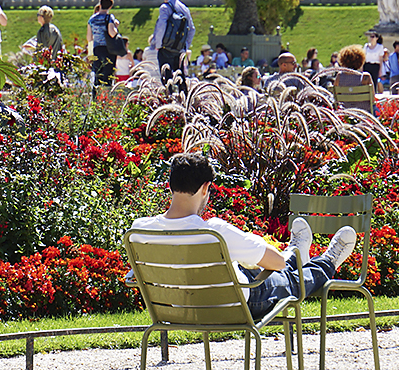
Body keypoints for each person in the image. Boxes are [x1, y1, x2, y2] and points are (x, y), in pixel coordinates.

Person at [129, 152, 358, 321]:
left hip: (176, 310)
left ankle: (295, 253)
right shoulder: (214, 232)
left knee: (250, 267)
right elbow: (275, 264)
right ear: (205, 188)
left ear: (170, 186)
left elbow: (134, 277)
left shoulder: (140, 231)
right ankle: (325, 261)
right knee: (289, 276)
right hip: (234, 305)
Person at [149, 0, 195, 81]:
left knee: (166, 77)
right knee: (180, 78)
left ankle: (169, 95)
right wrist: (185, 45)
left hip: (166, 48)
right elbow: (192, 29)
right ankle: (182, 95)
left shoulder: (165, 7)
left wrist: (159, 45)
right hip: (179, 49)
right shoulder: (184, 8)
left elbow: (161, 27)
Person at [86, 0, 120, 86]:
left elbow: (89, 38)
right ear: (110, 6)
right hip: (108, 49)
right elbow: (112, 33)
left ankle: (95, 96)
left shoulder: (92, 19)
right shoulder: (109, 17)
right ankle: (106, 95)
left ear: (100, 4)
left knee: (98, 75)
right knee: (108, 76)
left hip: (97, 49)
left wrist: (90, 53)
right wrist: (116, 27)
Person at [334, 45, 374, 110]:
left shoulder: (339, 76)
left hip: (346, 113)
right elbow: (372, 99)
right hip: (364, 113)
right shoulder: (365, 77)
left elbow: (335, 96)